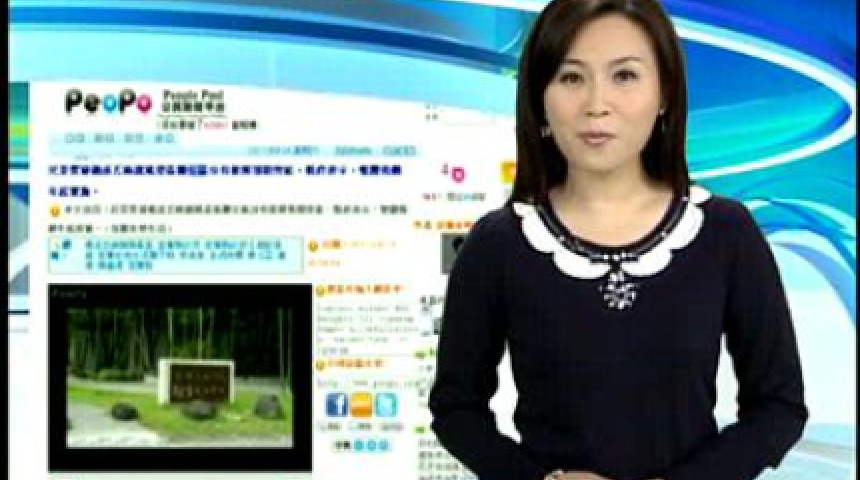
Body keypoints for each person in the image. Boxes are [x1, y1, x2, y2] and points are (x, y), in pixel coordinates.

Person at [428, 0, 808, 479]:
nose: (596, 104)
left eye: (624, 76)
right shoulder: (498, 243)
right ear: (540, 97)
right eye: (571, 77)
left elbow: (778, 407)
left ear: (665, 93)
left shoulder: (726, 232)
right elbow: (456, 409)